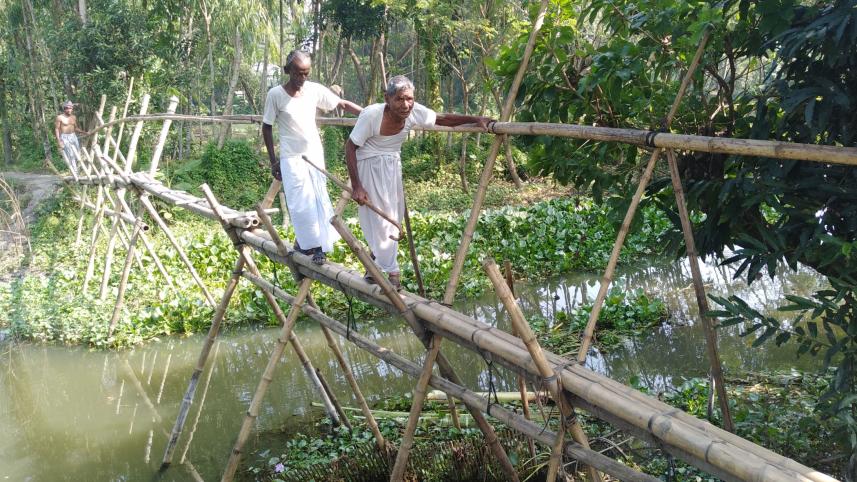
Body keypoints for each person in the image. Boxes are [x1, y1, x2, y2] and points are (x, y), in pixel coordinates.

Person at [345, 75, 491, 290]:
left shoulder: (413, 111)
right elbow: (350, 147)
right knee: (380, 219)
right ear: (387, 98)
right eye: (400, 99)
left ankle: (373, 265)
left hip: (393, 165)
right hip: (369, 166)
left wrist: (476, 119)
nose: (406, 105)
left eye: (410, 99)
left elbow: (442, 119)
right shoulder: (371, 115)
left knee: (392, 215)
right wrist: (357, 186)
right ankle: (392, 273)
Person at [262, 50, 362, 265]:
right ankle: (307, 243)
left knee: (318, 199)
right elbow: (267, 127)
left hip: (314, 154)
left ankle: (318, 247)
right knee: (300, 204)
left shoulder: (314, 90)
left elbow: (341, 104)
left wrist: (369, 114)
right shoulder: (276, 95)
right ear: (288, 71)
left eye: (306, 73)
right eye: (298, 73)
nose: (302, 78)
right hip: (291, 157)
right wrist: (273, 160)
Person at [55, 100, 85, 176]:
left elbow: (75, 128)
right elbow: (57, 129)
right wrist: (59, 141)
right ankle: (74, 173)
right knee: (70, 154)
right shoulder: (60, 118)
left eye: (70, 108)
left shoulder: (73, 117)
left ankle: (78, 170)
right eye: (67, 108)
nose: (69, 110)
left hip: (73, 136)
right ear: (64, 109)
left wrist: (85, 132)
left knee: (78, 153)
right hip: (65, 137)